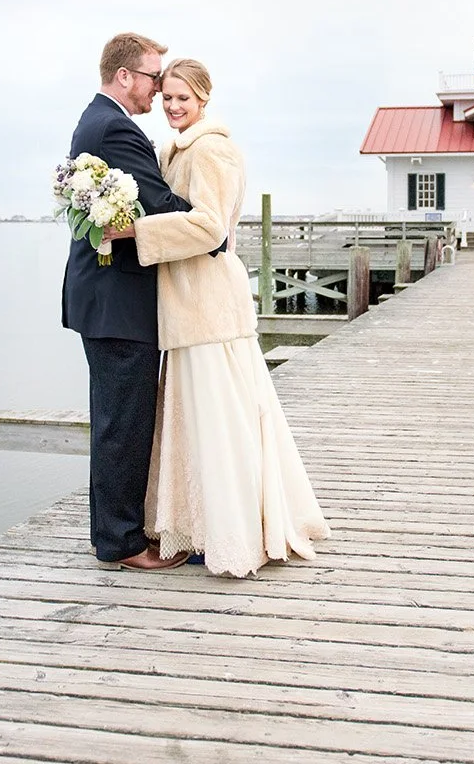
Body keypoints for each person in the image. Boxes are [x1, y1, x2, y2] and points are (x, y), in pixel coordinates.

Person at [118, 58, 329, 577]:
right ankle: (201, 524)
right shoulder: (173, 147)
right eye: (166, 97)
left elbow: (210, 228)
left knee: (218, 418)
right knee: (196, 420)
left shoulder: (212, 149)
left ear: (204, 99)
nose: (171, 106)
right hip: (185, 302)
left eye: (182, 99)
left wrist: (136, 235)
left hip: (208, 302)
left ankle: (233, 530)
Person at [61, 32, 194, 571]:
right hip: (117, 302)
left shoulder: (96, 120)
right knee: (123, 421)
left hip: (107, 299)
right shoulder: (115, 127)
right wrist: (208, 219)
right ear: (125, 77)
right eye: (153, 77)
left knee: (120, 417)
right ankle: (121, 543)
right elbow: (158, 201)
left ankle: (117, 531)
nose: (159, 88)